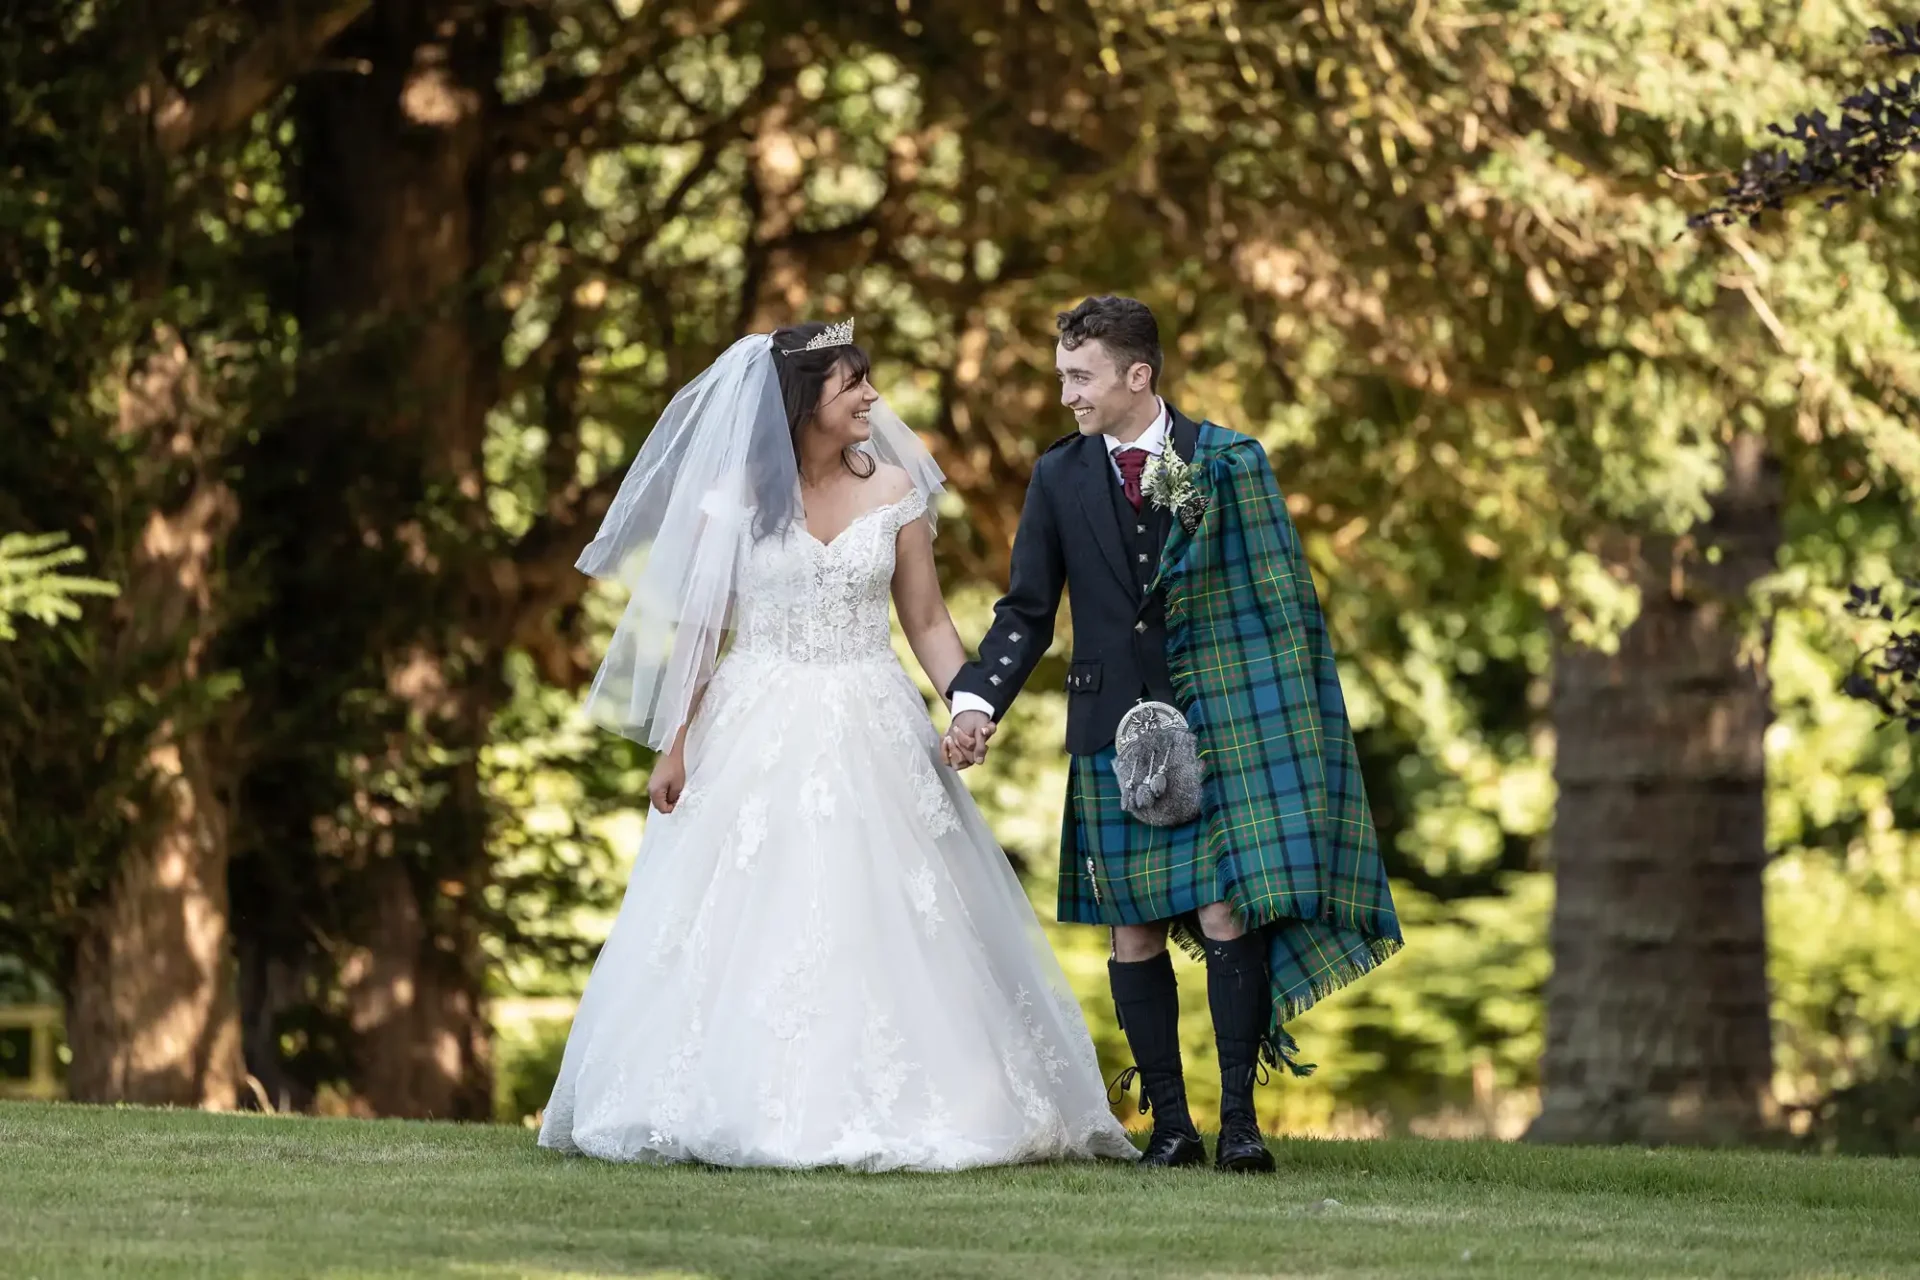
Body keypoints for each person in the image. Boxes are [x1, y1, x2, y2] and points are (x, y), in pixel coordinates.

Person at [536, 320, 1137, 1172]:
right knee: (745, 905)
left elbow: (925, 620)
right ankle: (728, 1096)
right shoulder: (733, 498)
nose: (871, 399)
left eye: (868, 382)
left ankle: (926, 1099)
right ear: (802, 400)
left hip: (872, 715)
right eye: (851, 385)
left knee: (887, 906)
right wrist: (673, 747)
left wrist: (968, 704)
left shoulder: (893, 489)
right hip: (755, 719)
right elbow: (703, 635)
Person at [942, 296, 1403, 1172]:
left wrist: (1291, 724)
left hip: (1223, 721)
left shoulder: (1228, 462)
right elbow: (1028, 611)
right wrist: (976, 701)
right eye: (1062, 377)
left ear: (1137, 376)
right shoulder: (1060, 476)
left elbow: (1280, 601)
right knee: (1136, 928)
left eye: (1080, 377)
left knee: (1228, 912)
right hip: (1114, 727)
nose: (1067, 395)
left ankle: (1239, 1126)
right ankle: (1172, 1130)